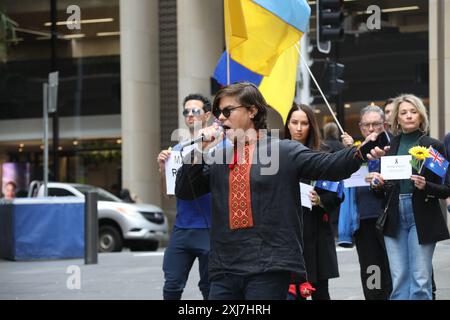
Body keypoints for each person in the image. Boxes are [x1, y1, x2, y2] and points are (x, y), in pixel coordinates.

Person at [175, 82, 374, 300]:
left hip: (268, 266)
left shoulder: (283, 150)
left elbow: (329, 165)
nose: (220, 118)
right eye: (217, 113)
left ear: (252, 111)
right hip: (224, 267)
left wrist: (360, 152)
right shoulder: (218, 157)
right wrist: (200, 149)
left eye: (227, 111)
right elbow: (185, 190)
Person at [367, 94, 450, 300]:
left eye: (413, 112)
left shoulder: (433, 147)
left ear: (421, 116)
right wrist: (377, 182)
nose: (409, 116)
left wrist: (426, 185)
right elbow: (384, 190)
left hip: (422, 215)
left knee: (420, 280)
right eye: (404, 112)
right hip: (394, 215)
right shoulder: (391, 147)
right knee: (399, 280)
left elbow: (447, 189)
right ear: (397, 119)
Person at [157, 93, 212, 300]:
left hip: (211, 229)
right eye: (186, 111)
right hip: (182, 228)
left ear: (207, 115)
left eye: (195, 111)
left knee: (209, 287)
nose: (190, 115)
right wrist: (163, 170)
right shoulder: (177, 150)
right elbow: (169, 194)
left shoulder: (222, 147)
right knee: (172, 284)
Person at [284, 104, 341, 300]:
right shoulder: (278, 153)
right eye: (294, 122)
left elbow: (336, 194)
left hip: (316, 231)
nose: (299, 128)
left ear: (311, 126)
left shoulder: (323, 153)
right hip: (287, 233)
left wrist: (320, 200)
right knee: (291, 293)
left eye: (304, 123)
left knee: (320, 293)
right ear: (288, 125)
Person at [340, 105, 392, 300]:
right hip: (363, 221)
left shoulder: (392, 147)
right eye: (367, 125)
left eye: (376, 124)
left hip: (389, 219)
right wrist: (349, 150)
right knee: (372, 271)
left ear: (384, 125)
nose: (371, 129)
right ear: (361, 127)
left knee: (391, 269)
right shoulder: (355, 150)